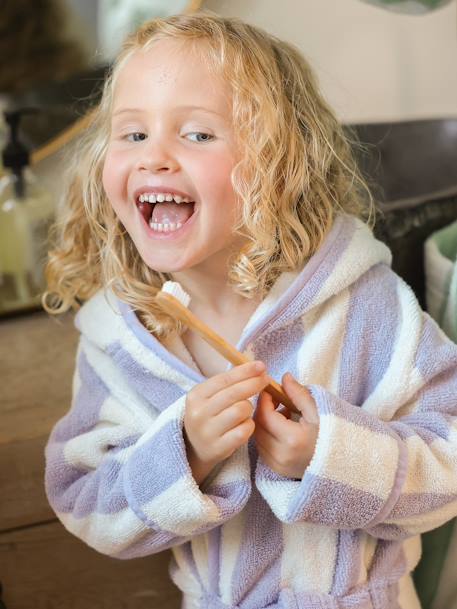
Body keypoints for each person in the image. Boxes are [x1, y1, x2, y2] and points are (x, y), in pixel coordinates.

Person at [43, 12, 457, 609]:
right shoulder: (122, 337)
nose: (153, 157)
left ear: (277, 163)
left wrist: (331, 456)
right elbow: (84, 500)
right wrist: (183, 453)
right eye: (132, 134)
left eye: (198, 134)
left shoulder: (365, 307)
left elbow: (447, 464)